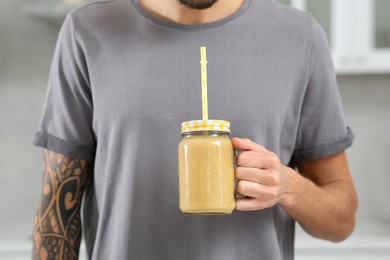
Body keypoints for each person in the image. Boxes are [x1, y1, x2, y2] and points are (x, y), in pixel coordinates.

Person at [32, 0, 358, 259]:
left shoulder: (300, 37)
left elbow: (341, 221)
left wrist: (288, 187)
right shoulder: (87, 32)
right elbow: (57, 215)